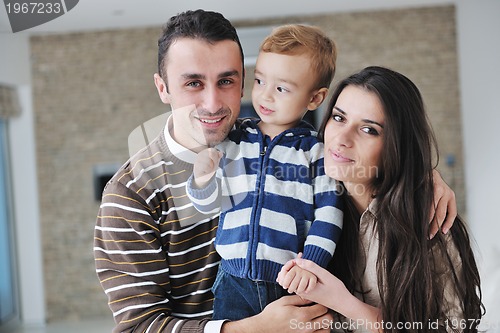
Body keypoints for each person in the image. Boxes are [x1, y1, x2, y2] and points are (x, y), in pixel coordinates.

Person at [94, 9, 335, 333]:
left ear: (243, 83)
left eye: (225, 81)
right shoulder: (131, 195)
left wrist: (420, 180)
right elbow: (139, 327)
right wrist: (257, 328)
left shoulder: (275, 145)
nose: (212, 103)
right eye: (193, 83)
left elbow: (353, 173)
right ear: (163, 87)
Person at [277, 66, 484, 333]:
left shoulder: (429, 220)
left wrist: (344, 303)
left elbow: (454, 327)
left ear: (397, 145)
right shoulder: (300, 202)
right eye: (338, 118)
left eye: (369, 130)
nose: (341, 139)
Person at [185, 24, 343, 321]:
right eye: (259, 81)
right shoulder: (233, 139)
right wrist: (202, 180)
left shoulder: (315, 151)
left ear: (315, 99)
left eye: (281, 88)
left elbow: (329, 213)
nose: (266, 96)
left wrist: (309, 265)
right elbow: (207, 207)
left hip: (289, 281)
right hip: (231, 280)